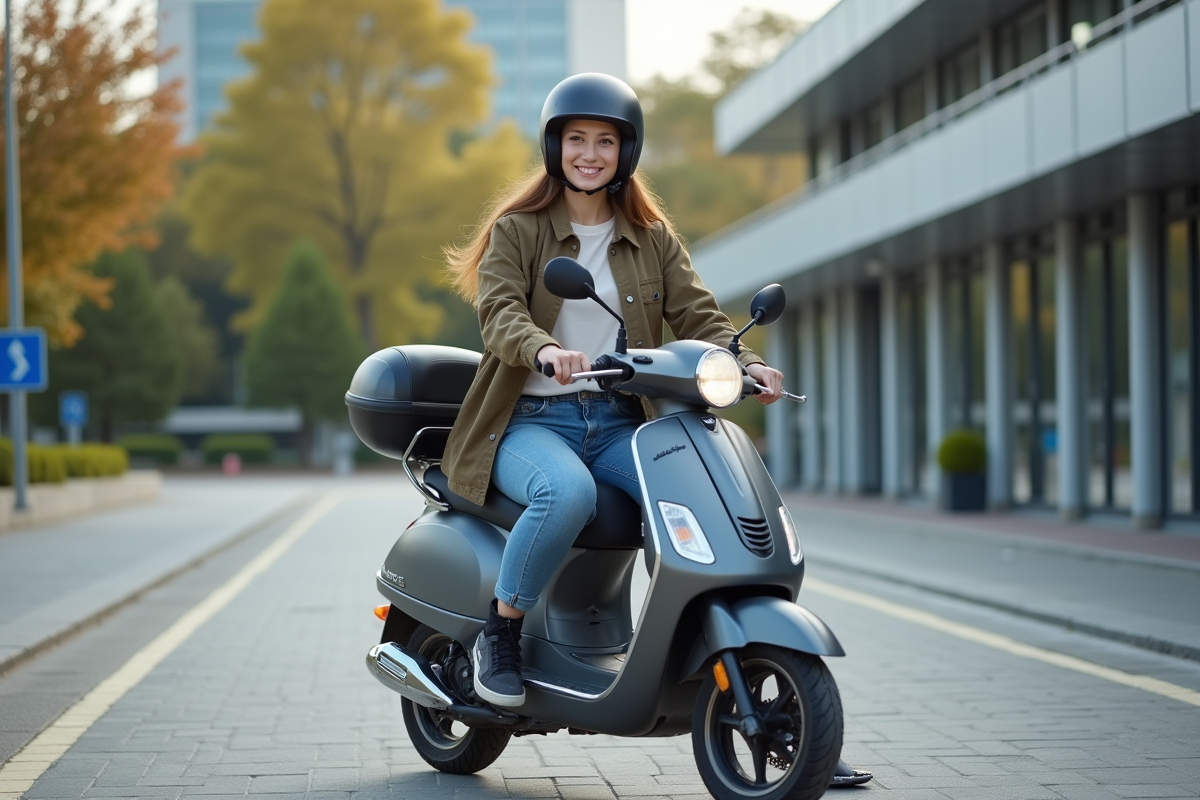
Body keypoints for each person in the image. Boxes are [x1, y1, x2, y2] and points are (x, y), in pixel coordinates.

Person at [441, 72, 871, 789]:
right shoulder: (520, 231)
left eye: (603, 141)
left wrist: (747, 363)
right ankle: (503, 631)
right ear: (555, 147)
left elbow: (700, 319)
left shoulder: (650, 237)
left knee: (689, 508)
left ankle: (764, 698)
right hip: (530, 420)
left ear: (625, 151)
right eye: (576, 140)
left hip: (620, 421)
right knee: (568, 497)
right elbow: (501, 315)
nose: (589, 153)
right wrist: (545, 349)